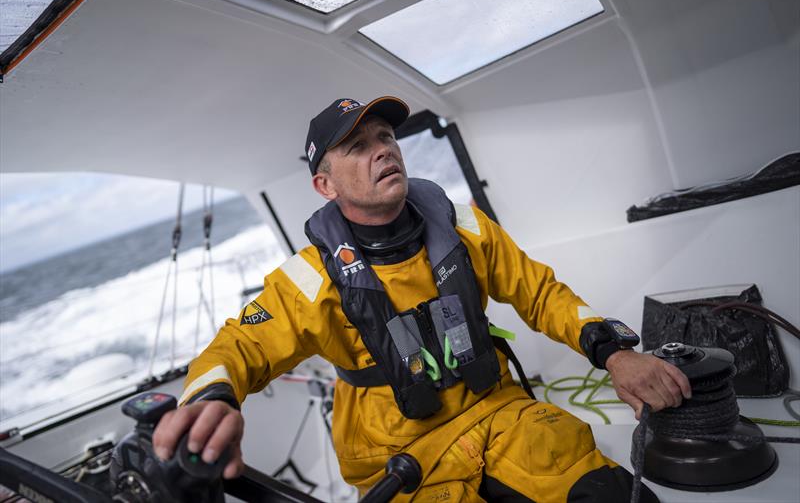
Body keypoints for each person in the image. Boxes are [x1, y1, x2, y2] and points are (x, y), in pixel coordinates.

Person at [153, 96, 690, 502]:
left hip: (500, 411)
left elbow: (541, 293)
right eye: (358, 146)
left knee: (617, 494)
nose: (383, 149)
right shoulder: (309, 278)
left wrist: (614, 353)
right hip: (398, 454)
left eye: (386, 136)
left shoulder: (465, 227)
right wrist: (211, 402)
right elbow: (235, 348)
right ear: (325, 185)